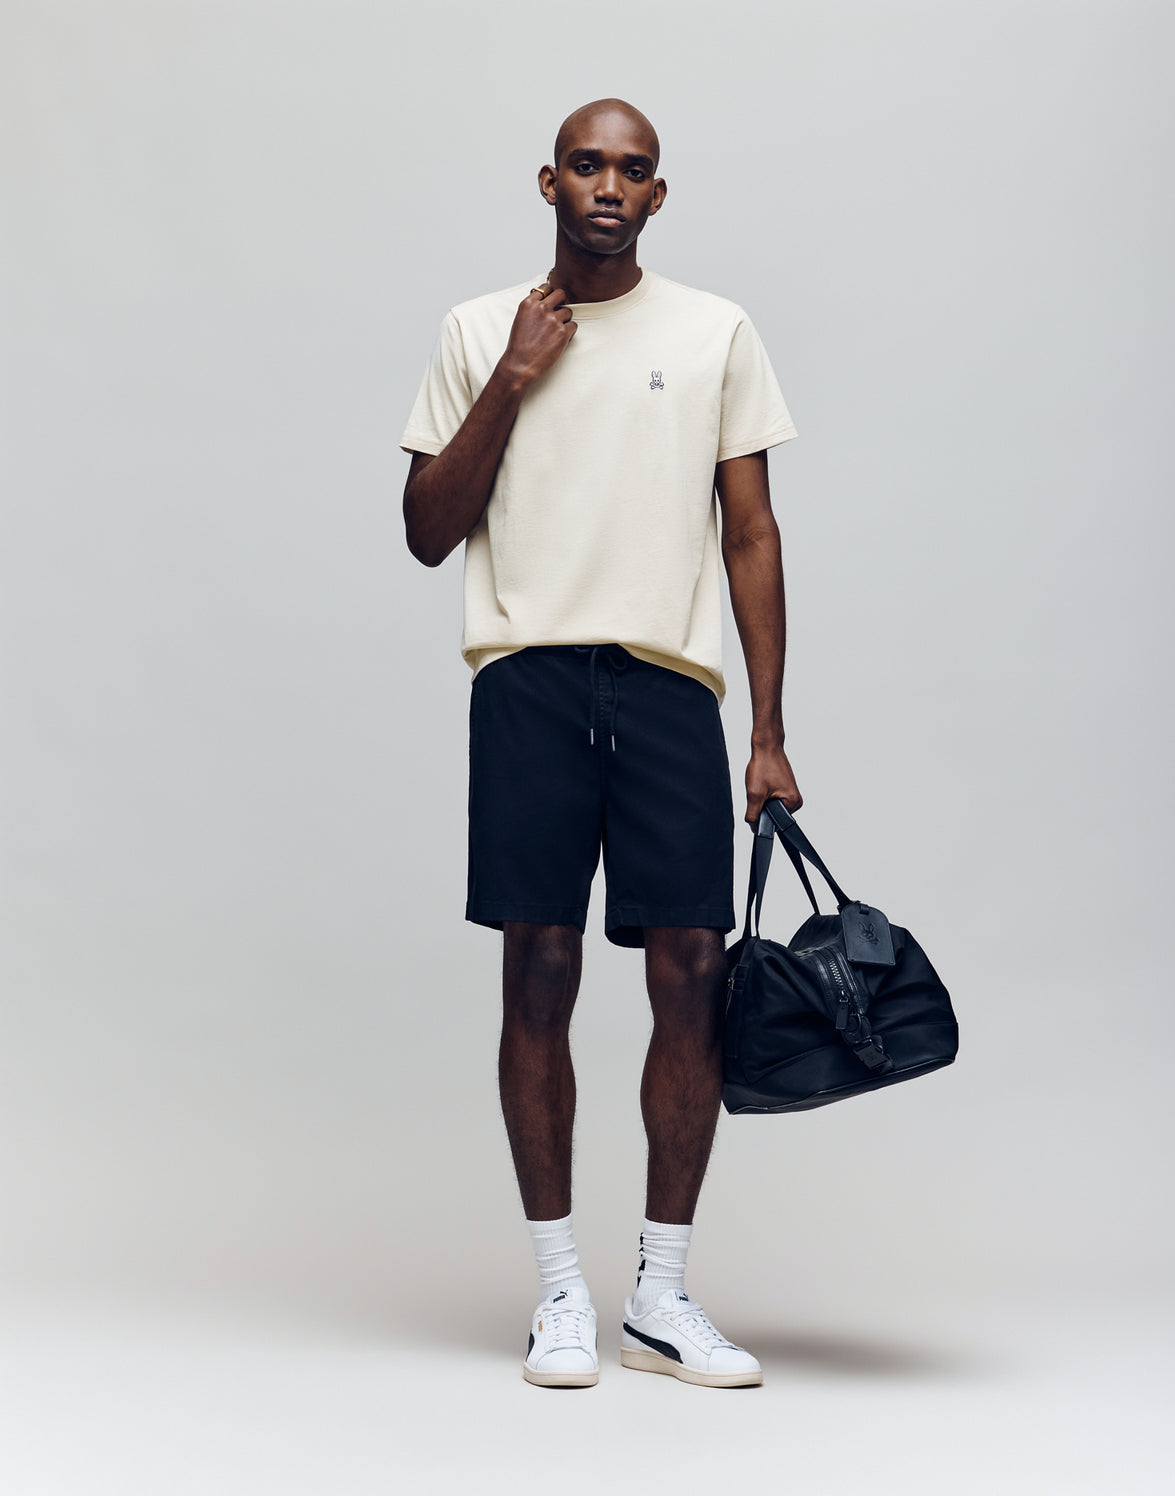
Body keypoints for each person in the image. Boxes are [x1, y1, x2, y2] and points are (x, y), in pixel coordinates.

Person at [400, 97, 802, 1389]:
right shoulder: (478, 330)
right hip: (528, 678)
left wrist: (772, 729)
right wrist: (517, 376)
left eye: (634, 169)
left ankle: (663, 1297)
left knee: (693, 972)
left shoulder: (716, 330)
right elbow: (424, 526)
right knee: (541, 969)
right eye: (589, 165)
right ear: (549, 182)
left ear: (659, 195)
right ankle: (563, 1294)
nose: (610, 187)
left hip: (671, 683)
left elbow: (752, 533)